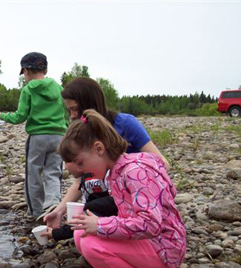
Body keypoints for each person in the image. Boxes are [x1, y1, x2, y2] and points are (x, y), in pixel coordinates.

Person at [59, 109, 186, 268]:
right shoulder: (118, 170)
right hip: (153, 242)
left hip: (164, 248)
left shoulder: (135, 173)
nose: (81, 171)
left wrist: (101, 224)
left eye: (80, 162)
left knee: (92, 242)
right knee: (81, 233)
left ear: (99, 148)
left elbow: (150, 224)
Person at [43, 76, 169, 239]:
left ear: (90, 104)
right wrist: (60, 209)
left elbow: (162, 163)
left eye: (75, 109)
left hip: (128, 197)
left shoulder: (125, 124)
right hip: (98, 196)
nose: (73, 116)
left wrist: (131, 176)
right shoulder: (81, 131)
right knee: (84, 231)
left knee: (89, 225)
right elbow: (80, 180)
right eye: (69, 111)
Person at [0, 52, 68, 218]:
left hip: (37, 137)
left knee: (33, 174)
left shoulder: (28, 90)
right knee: (53, 172)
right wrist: (65, 129)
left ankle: (36, 211)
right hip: (59, 136)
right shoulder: (59, 88)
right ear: (45, 69)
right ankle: (52, 205)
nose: (24, 76)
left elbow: (19, 117)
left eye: (23, 72)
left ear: (26, 70)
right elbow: (66, 111)